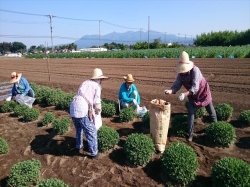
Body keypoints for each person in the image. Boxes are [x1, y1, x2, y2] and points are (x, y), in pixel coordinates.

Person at [164, 51, 217, 142]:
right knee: (191, 114)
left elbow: (195, 88)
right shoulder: (180, 75)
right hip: (193, 97)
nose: (182, 72)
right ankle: (190, 134)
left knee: (211, 112)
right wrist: (170, 91)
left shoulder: (195, 71)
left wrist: (184, 94)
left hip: (203, 93)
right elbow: (176, 85)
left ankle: (216, 130)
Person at [70, 68, 108, 159]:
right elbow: (97, 102)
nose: (101, 81)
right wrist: (98, 111)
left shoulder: (85, 83)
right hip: (82, 108)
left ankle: (78, 146)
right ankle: (94, 153)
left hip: (73, 107)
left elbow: (82, 96)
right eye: (101, 79)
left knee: (79, 129)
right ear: (99, 79)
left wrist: (91, 109)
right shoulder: (96, 86)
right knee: (91, 131)